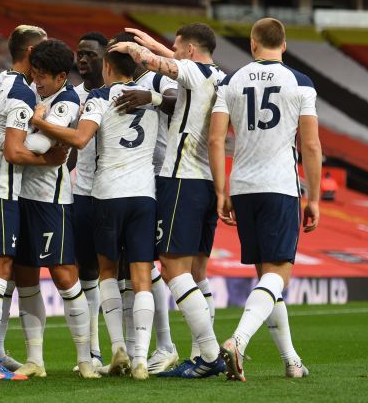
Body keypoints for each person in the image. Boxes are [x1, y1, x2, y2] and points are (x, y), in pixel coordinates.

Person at [31, 32, 159, 380]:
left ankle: (117, 346)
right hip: (145, 194)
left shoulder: (101, 97)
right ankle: (142, 360)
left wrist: (40, 121)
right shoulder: (153, 98)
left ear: (107, 66)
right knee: (141, 277)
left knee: (106, 272)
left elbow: (80, 139)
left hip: (107, 193)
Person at [110, 23, 226, 378]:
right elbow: (174, 61)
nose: (173, 53)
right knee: (196, 272)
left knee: (173, 268)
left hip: (182, 179)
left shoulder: (190, 70)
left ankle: (208, 354)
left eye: (177, 48)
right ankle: (201, 351)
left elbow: (157, 63)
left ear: (190, 50)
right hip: (206, 181)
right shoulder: (219, 76)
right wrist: (154, 43)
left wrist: (130, 49)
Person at [208, 18, 321, 381]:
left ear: (253, 45)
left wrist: (221, 191)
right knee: (278, 276)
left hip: (242, 186)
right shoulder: (300, 83)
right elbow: (311, 145)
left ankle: (291, 361)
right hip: (279, 186)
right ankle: (238, 340)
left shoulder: (231, 80)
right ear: (283, 45)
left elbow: (215, 140)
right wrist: (314, 198)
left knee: (266, 281)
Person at [0, 39, 99, 379]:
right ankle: (36, 360)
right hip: (21, 197)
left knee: (64, 275)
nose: (38, 81)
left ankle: (86, 359)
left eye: (45, 76)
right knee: (26, 277)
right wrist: (0, 129)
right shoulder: (31, 92)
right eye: (35, 74)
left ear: (62, 76)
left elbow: (39, 144)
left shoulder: (67, 100)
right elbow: (9, 131)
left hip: (51, 201)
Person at [0, 25, 67, 381]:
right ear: (30, 52)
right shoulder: (23, 92)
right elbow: (14, 151)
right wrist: (50, 160)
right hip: (3, 189)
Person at [113, 36, 179, 374]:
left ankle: (166, 344)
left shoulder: (155, 78)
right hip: (131, 181)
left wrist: (150, 98)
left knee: (153, 262)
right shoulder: (111, 89)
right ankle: (134, 347)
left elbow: (175, 100)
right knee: (131, 265)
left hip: (160, 176)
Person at [71, 31, 108, 369]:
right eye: (79, 54)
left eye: (90, 55)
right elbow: (69, 147)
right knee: (88, 272)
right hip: (82, 193)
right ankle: (94, 350)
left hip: (116, 192)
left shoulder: (121, 94)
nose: (82, 60)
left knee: (127, 275)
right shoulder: (71, 96)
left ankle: (142, 348)